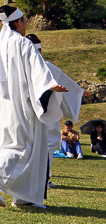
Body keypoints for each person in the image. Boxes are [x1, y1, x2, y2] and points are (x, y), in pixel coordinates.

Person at [0, 5, 67, 209]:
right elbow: (38, 70)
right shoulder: (24, 44)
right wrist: (50, 86)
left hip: (1, 107)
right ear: (17, 22)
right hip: (23, 106)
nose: (26, 25)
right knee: (23, 144)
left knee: (17, 145)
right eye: (24, 20)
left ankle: (26, 197)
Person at [25, 33, 85, 187]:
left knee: (33, 145)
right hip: (47, 113)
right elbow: (68, 86)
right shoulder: (47, 67)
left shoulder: (19, 69)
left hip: (27, 113)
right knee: (49, 143)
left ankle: (40, 178)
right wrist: (79, 92)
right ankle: (41, 179)